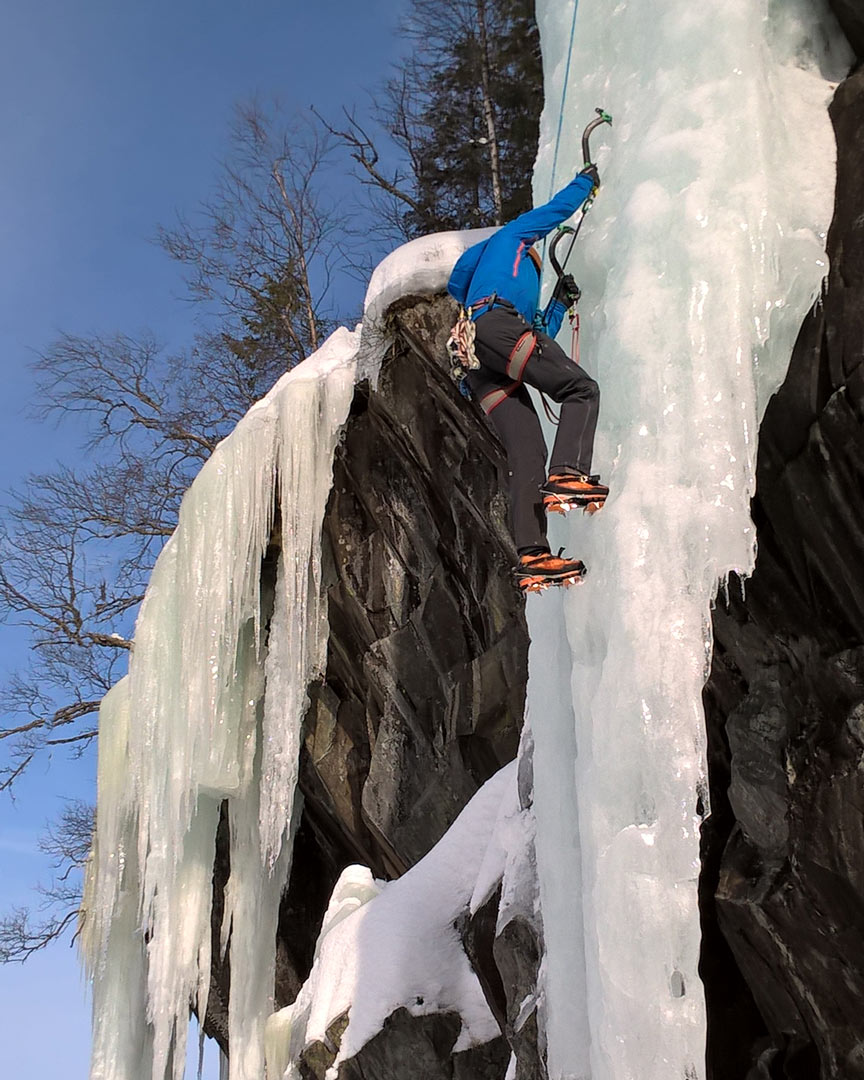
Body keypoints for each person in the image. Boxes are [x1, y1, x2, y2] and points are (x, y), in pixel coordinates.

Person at [447, 165, 608, 590]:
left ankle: (533, 554)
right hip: (496, 329)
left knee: (527, 455)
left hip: (481, 367)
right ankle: (570, 472)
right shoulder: (509, 239)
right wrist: (585, 184)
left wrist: (558, 303)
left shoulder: (489, 293)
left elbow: (534, 341)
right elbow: (553, 213)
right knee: (580, 389)